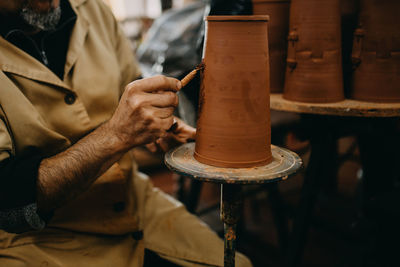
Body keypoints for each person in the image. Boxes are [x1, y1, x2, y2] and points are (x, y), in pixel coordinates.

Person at [0, 0, 252, 266]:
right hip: (41, 240)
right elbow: (8, 196)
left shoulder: (93, 9)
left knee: (239, 263)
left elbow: (128, 89)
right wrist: (116, 136)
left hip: (132, 198)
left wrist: (152, 126)